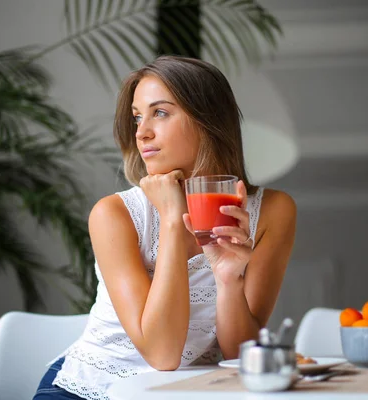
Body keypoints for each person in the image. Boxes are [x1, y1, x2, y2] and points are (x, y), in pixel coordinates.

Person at [33, 55, 297, 400]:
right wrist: (173, 220)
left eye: (160, 112)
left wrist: (229, 279)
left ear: (208, 120)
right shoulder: (114, 214)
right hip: (91, 389)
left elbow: (238, 358)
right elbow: (162, 354)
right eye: (137, 117)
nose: (142, 132)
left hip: (186, 393)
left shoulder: (273, 212)